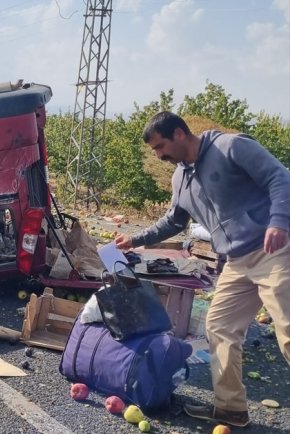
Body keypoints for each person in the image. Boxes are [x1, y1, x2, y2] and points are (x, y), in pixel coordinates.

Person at [115, 111, 290, 428]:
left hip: (273, 250)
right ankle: (231, 409)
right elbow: (174, 221)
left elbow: (279, 177)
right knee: (219, 328)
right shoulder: (180, 178)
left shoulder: (231, 147)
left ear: (180, 133)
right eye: (155, 150)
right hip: (236, 262)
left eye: (160, 146)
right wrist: (135, 239)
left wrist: (279, 221)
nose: (159, 155)